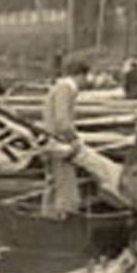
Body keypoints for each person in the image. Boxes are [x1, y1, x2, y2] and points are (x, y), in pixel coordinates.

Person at [41, 60, 90, 218]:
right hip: (60, 143)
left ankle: (48, 217)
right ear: (80, 75)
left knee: (53, 182)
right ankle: (64, 218)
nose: (85, 82)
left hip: (51, 141)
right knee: (65, 184)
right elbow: (62, 121)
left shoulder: (58, 87)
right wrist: (74, 139)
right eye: (85, 78)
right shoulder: (66, 89)